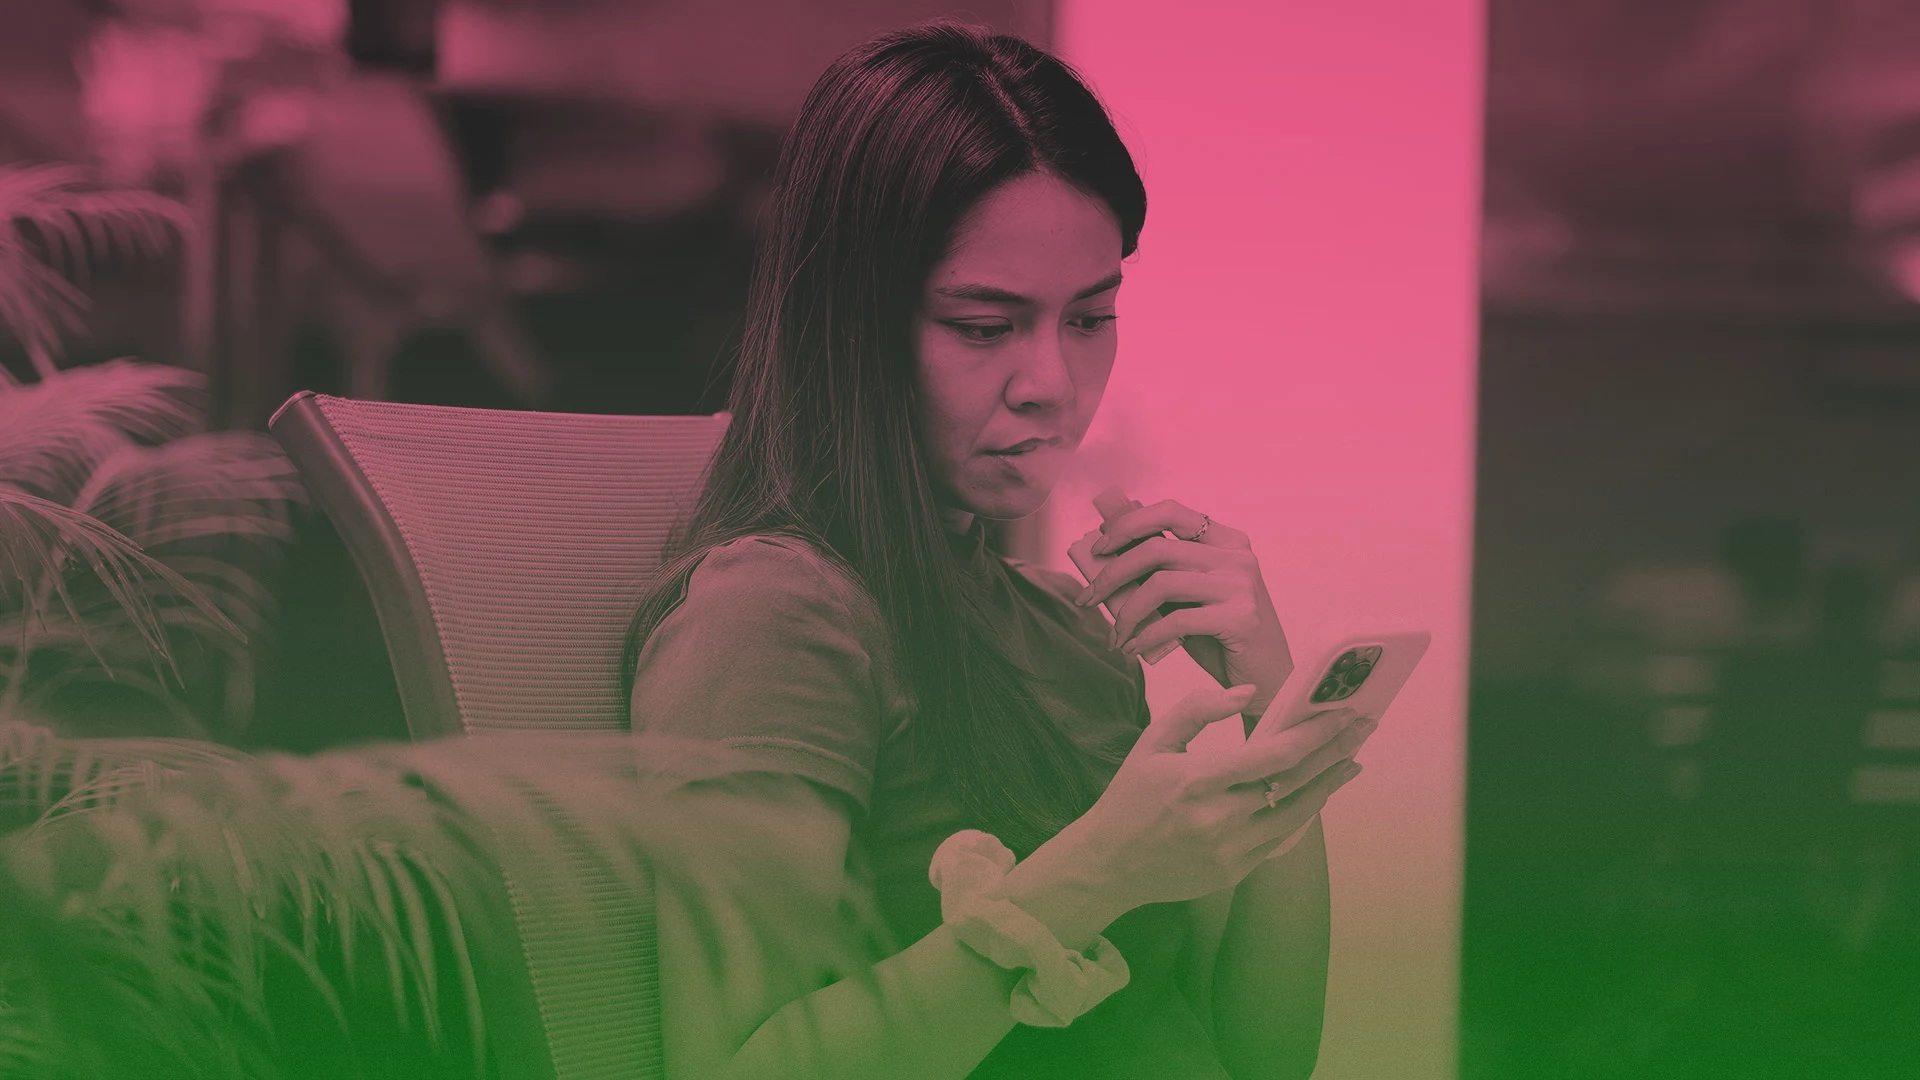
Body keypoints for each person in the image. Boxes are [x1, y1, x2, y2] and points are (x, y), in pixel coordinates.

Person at [624, 22, 1375, 1080]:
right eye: (985, 327)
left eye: (1091, 319)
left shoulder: (1074, 633)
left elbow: (1258, 1056)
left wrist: (1276, 712)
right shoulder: (772, 616)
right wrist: (1096, 874)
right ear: (851, 325)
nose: (1052, 386)